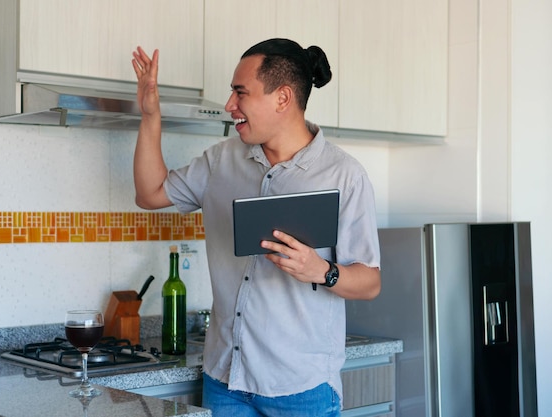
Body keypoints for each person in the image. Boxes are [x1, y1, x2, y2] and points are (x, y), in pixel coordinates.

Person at [131, 38, 381, 417]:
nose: (230, 106)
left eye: (240, 93)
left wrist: (320, 271)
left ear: (282, 98)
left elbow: (370, 282)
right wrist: (150, 116)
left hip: (301, 389)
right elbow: (150, 193)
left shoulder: (343, 175)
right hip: (226, 381)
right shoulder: (221, 160)